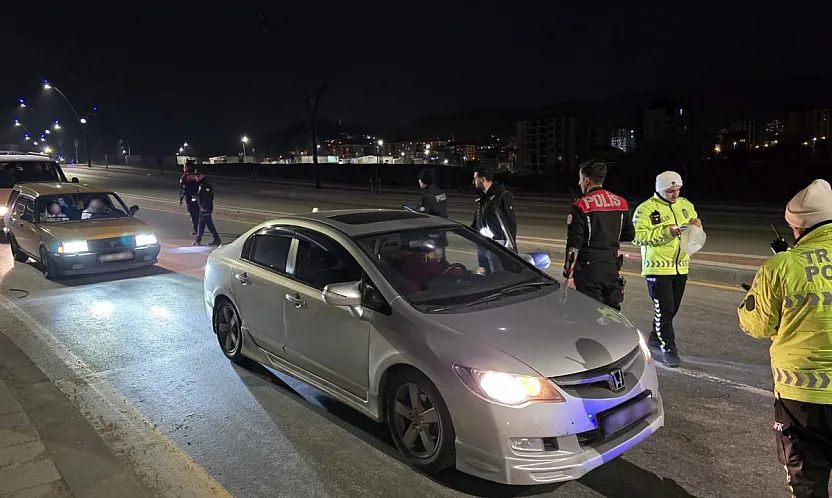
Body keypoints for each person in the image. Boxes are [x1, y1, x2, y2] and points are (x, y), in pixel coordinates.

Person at [739, 179, 832, 498]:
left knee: (808, 484)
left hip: (802, 399)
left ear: (797, 227)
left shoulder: (781, 266)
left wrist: (756, 296)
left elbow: (756, 326)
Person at [632, 171, 701, 368]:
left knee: (672, 309)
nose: (674, 194)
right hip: (658, 269)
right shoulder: (646, 209)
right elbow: (637, 237)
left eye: (677, 190)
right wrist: (666, 232)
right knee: (665, 309)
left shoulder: (685, 205)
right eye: (670, 191)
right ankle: (668, 348)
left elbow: (693, 227)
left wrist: (696, 226)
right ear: (660, 189)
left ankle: (655, 337)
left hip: (681, 267)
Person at [563, 161, 634, 310]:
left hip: (589, 271)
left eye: (580, 179)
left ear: (587, 180)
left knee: (589, 314)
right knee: (611, 314)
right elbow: (629, 234)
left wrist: (568, 273)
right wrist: (608, 235)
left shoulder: (581, 205)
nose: (579, 183)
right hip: (612, 268)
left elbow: (574, 245)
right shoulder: (621, 202)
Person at [471, 168, 517, 251]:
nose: (473, 182)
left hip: (498, 245)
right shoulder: (480, 197)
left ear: (482, 179)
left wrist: (509, 247)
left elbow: (511, 224)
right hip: (482, 243)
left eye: (475, 179)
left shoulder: (502, 196)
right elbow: (476, 221)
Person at [193, 179, 221, 246]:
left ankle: (217, 239)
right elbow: (201, 197)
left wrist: (205, 207)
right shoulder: (200, 185)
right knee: (201, 224)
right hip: (202, 208)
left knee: (209, 225)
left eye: (198, 176)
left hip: (205, 209)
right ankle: (198, 239)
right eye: (196, 176)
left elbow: (209, 197)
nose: (197, 177)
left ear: (202, 175)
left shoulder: (206, 186)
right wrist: (196, 197)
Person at [179, 160, 203, 235]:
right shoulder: (197, 175)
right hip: (198, 197)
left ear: (187, 167)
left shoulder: (185, 176)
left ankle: (196, 229)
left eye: (184, 167)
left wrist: (181, 198)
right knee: (198, 213)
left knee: (193, 214)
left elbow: (182, 188)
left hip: (189, 197)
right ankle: (200, 228)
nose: (183, 168)